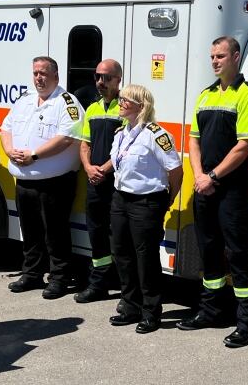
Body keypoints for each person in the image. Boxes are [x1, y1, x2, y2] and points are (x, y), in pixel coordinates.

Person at [176, 36, 248, 348]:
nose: (215, 61)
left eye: (221, 56)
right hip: (205, 186)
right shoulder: (205, 95)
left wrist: (212, 175)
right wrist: (200, 176)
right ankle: (211, 310)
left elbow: (244, 146)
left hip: (232, 190)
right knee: (208, 250)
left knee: (238, 253)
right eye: (212, 56)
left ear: (236, 57)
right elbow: (194, 140)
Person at [0, 56, 84, 300]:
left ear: (56, 76)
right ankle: (32, 274)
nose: (39, 77)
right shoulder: (24, 100)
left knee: (55, 232)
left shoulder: (67, 102)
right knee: (31, 230)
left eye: (44, 73)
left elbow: (67, 137)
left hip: (55, 182)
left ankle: (59, 278)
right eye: (36, 72)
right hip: (25, 180)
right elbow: (5, 129)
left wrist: (34, 155)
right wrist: (9, 151)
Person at [108, 84, 183, 334]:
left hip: (147, 202)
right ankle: (130, 306)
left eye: (125, 100)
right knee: (122, 253)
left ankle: (151, 312)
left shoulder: (156, 134)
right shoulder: (121, 133)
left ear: (141, 106)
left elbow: (175, 170)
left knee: (146, 258)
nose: (120, 103)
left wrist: (167, 199)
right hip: (121, 199)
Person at [74, 59, 124, 304]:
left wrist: (103, 169)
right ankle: (99, 284)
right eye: (98, 77)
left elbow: (127, 147)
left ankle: (127, 288)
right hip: (95, 182)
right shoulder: (92, 109)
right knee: (97, 233)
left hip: (117, 184)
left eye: (107, 77)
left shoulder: (125, 108)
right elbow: (85, 144)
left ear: (118, 79)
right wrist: (87, 166)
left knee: (122, 236)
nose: (101, 82)